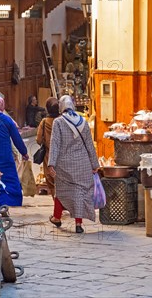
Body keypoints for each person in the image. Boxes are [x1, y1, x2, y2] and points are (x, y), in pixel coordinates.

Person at [47, 95, 99, 233]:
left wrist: (51, 163)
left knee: (62, 191)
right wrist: (94, 164)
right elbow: (89, 145)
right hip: (83, 164)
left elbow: (55, 144)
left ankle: (57, 217)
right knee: (80, 193)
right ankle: (78, 224)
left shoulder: (58, 122)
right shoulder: (83, 121)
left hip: (65, 165)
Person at [36, 97, 59, 197]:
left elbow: (38, 140)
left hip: (49, 156)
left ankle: (57, 208)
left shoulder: (44, 122)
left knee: (52, 182)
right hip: (62, 155)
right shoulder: (62, 121)